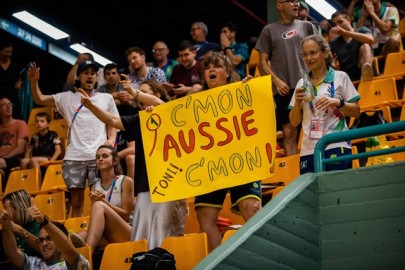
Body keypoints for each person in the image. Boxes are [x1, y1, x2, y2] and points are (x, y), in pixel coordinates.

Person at [78, 74, 187, 250]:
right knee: (141, 240)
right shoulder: (139, 119)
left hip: (170, 185)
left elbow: (161, 106)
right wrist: (91, 106)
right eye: (138, 95)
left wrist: (134, 92)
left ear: (157, 94)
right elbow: (112, 119)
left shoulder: (170, 113)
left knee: (162, 237)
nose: (139, 98)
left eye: (143, 93)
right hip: (145, 188)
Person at [28, 61, 119, 218]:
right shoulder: (66, 98)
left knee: (99, 201)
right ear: (79, 77)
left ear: (96, 78)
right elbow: (40, 99)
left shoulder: (107, 98)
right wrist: (33, 82)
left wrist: (111, 139)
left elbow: (113, 122)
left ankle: (96, 235)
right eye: (86, 73)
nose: (89, 76)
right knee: (76, 202)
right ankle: (75, 235)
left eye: (93, 73)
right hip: (73, 157)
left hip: (97, 157)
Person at [195, 52, 262, 252]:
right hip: (210, 162)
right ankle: (219, 263)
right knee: (205, 217)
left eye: (216, 66)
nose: (211, 70)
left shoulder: (242, 89)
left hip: (241, 158)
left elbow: (264, 113)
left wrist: (252, 91)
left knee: (252, 208)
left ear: (227, 71)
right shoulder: (196, 101)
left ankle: (263, 257)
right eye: (207, 68)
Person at [289, 34, 360, 174]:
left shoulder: (341, 77)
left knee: (337, 193)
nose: (309, 58)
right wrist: (297, 103)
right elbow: (293, 122)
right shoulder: (301, 83)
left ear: (325, 52)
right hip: (308, 149)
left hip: (336, 144)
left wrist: (338, 103)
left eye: (313, 53)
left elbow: (356, 112)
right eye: (305, 55)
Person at [255, 0, 318, 156]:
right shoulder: (268, 30)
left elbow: (322, 54)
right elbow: (262, 62)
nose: (295, 3)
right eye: (290, 1)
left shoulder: (307, 26)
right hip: (283, 90)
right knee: (289, 132)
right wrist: (276, 81)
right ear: (279, 5)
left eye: (296, 1)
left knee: (315, 129)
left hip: (308, 85)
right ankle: (294, 176)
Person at [0, 199, 89, 269]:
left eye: (49, 238)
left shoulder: (75, 263)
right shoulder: (33, 263)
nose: (44, 244)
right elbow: (13, 254)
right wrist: (6, 225)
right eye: (41, 240)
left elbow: (69, 251)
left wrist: (44, 221)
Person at [76, 145, 134, 253]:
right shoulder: (94, 186)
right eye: (97, 157)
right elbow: (96, 217)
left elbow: (126, 215)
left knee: (99, 205)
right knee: (81, 235)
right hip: (107, 233)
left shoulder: (126, 181)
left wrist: (103, 202)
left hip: (127, 231)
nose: (100, 159)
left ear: (115, 160)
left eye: (105, 156)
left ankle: (88, 253)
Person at [330, 9, 375, 82]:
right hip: (347, 77)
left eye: (340, 22)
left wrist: (346, 33)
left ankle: (366, 76)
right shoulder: (335, 42)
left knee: (365, 46)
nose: (337, 26)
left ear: (348, 20)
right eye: (335, 24)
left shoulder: (362, 30)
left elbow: (371, 40)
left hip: (362, 72)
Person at [0, 190, 41, 269]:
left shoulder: (39, 226)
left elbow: (46, 248)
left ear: (19, 207)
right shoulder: (5, 230)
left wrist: (20, 230)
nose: (5, 212)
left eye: (7, 207)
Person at [20, 112, 61, 182]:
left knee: (34, 159)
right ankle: (26, 183)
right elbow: (28, 151)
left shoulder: (53, 134)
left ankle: (38, 184)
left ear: (48, 124)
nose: (39, 123)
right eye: (37, 121)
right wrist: (27, 160)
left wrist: (51, 161)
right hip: (36, 158)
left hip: (49, 158)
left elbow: (58, 150)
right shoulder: (35, 136)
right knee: (23, 161)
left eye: (42, 121)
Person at [0, 97, 29, 188]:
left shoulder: (20, 124)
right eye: (4, 105)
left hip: (15, 159)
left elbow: (20, 149)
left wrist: (4, 157)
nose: (8, 107)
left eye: (10, 104)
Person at [0, 40, 23, 119]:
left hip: (12, 98)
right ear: (0, 51)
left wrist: (20, 83)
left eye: (10, 52)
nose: (9, 54)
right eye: (6, 52)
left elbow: (20, 78)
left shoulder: (15, 65)